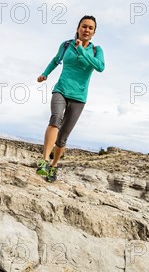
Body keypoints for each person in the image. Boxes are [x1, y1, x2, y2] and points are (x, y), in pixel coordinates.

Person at [36, 15, 105, 182]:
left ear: (94, 32)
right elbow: (55, 60)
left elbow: (100, 67)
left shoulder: (97, 50)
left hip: (79, 97)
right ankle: (44, 162)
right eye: (84, 26)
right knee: (55, 119)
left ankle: (53, 166)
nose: (86, 30)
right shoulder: (66, 45)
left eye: (90, 28)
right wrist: (45, 74)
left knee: (63, 137)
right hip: (61, 90)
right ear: (78, 28)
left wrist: (82, 50)